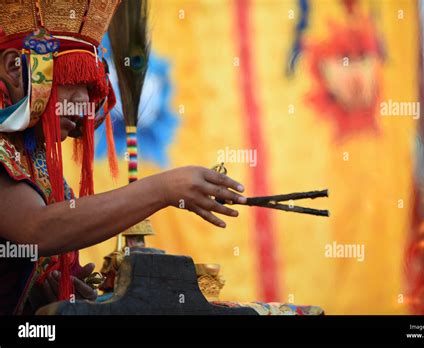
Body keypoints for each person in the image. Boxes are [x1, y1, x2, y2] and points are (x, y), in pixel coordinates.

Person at [0, 0, 246, 315]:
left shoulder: (38, 165)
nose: (84, 102)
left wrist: (42, 294)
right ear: (13, 69)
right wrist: (164, 189)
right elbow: (37, 230)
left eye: (91, 88)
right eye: (72, 79)